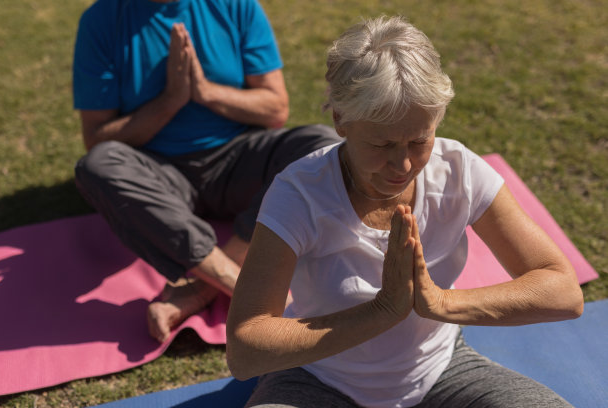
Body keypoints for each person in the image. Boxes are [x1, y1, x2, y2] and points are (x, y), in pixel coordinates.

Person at [226, 16, 584, 408]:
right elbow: (245, 351)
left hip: (441, 370)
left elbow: (563, 291)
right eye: (381, 145)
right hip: (319, 378)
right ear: (340, 120)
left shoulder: (459, 170)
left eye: (419, 140)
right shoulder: (299, 193)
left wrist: (441, 303)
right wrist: (382, 312)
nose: (403, 166)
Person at [72, 0, 340, 343]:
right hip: (158, 172)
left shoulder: (236, 6)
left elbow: (275, 109)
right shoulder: (102, 20)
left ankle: (203, 287)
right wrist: (170, 100)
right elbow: (97, 138)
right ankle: (237, 283)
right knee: (98, 166)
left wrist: (204, 91)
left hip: (238, 159)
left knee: (323, 145)